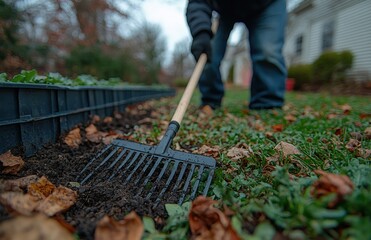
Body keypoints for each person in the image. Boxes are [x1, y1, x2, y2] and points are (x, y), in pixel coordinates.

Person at [186, 0, 287, 110]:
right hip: (225, 8)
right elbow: (198, 3)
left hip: (267, 4)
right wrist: (201, 32)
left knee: (267, 51)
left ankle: (267, 103)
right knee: (208, 53)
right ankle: (210, 101)